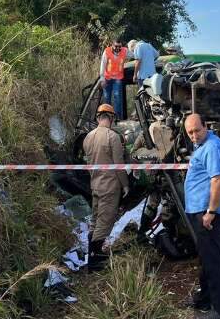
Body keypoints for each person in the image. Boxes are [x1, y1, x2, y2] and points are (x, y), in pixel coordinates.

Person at [184, 114, 220, 319]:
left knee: (212, 262)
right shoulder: (203, 146)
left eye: (197, 130)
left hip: (207, 214)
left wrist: (210, 212)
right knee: (206, 258)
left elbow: (218, 180)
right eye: (190, 132)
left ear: (206, 126)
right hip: (201, 211)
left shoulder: (212, 147)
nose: (194, 135)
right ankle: (204, 299)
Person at [83, 103, 130, 270]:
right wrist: (125, 185)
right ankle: (96, 261)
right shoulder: (112, 137)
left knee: (95, 221)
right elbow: (119, 164)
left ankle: (92, 256)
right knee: (105, 221)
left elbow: (88, 162)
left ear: (98, 117)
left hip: (95, 185)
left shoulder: (88, 137)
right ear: (111, 118)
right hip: (110, 187)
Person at [99, 39, 128, 119]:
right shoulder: (107, 51)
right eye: (116, 46)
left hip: (118, 78)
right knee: (106, 98)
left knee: (117, 97)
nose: (118, 48)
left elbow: (135, 55)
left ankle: (117, 118)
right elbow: (103, 65)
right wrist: (102, 78)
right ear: (112, 45)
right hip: (107, 78)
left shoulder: (124, 51)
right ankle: (106, 117)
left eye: (120, 46)